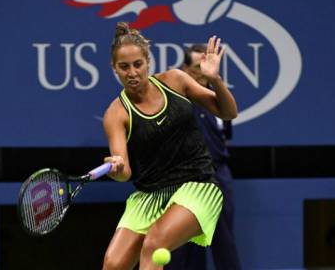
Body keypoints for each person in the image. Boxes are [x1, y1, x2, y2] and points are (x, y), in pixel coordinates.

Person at [101, 22, 237, 270]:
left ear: (148, 62)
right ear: (114, 69)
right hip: (150, 194)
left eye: (137, 64)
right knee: (112, 264)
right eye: (124, 67)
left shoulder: (175, 80)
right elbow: (125, 172)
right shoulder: (116, 114)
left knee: (154, 244)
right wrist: (116, 168)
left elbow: (228, 112)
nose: (132, 72)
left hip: (198, 185)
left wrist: (214, 79)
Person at [166, 44, 241, 270]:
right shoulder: (174, 100)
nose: (204, 71)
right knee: (182, 244)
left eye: (208, 66)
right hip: (184, 178)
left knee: (224, 239)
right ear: (186, 69)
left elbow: (224, 137)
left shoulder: (220, 101)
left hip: (218, 176)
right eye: (199, 66)